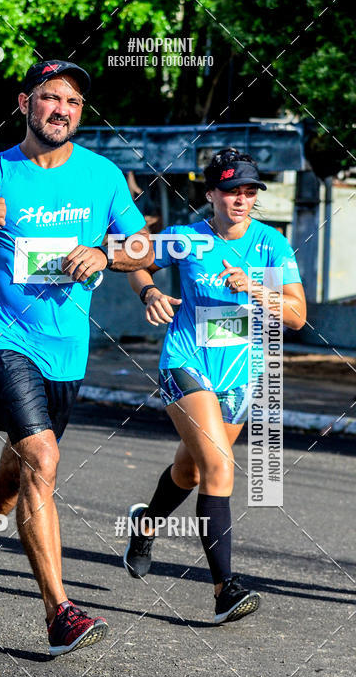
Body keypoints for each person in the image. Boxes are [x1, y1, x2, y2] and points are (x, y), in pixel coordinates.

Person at [0, 60, 153, 655]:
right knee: (42, 456)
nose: (62, 110)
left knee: (16, 475)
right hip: (3, 336)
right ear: (24, 102)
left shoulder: (103, 176)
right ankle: (61, 611)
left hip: (66, 350)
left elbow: (142, 245)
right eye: (51, 98)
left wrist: (108, 256)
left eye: (73, 103)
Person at [125, 147, 307, 624]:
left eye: (249, 192)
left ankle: (146, 522)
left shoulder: (272, 245)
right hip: (187, 362)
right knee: (220, 468)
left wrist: (255, 289)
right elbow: (132, 258)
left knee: (190, 472)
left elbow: (296, 316)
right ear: (211, 194)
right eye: (231, 191)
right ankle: (226, 589)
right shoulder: (186, 238)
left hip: (240, 374)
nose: (241, 199)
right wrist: (149, 290)